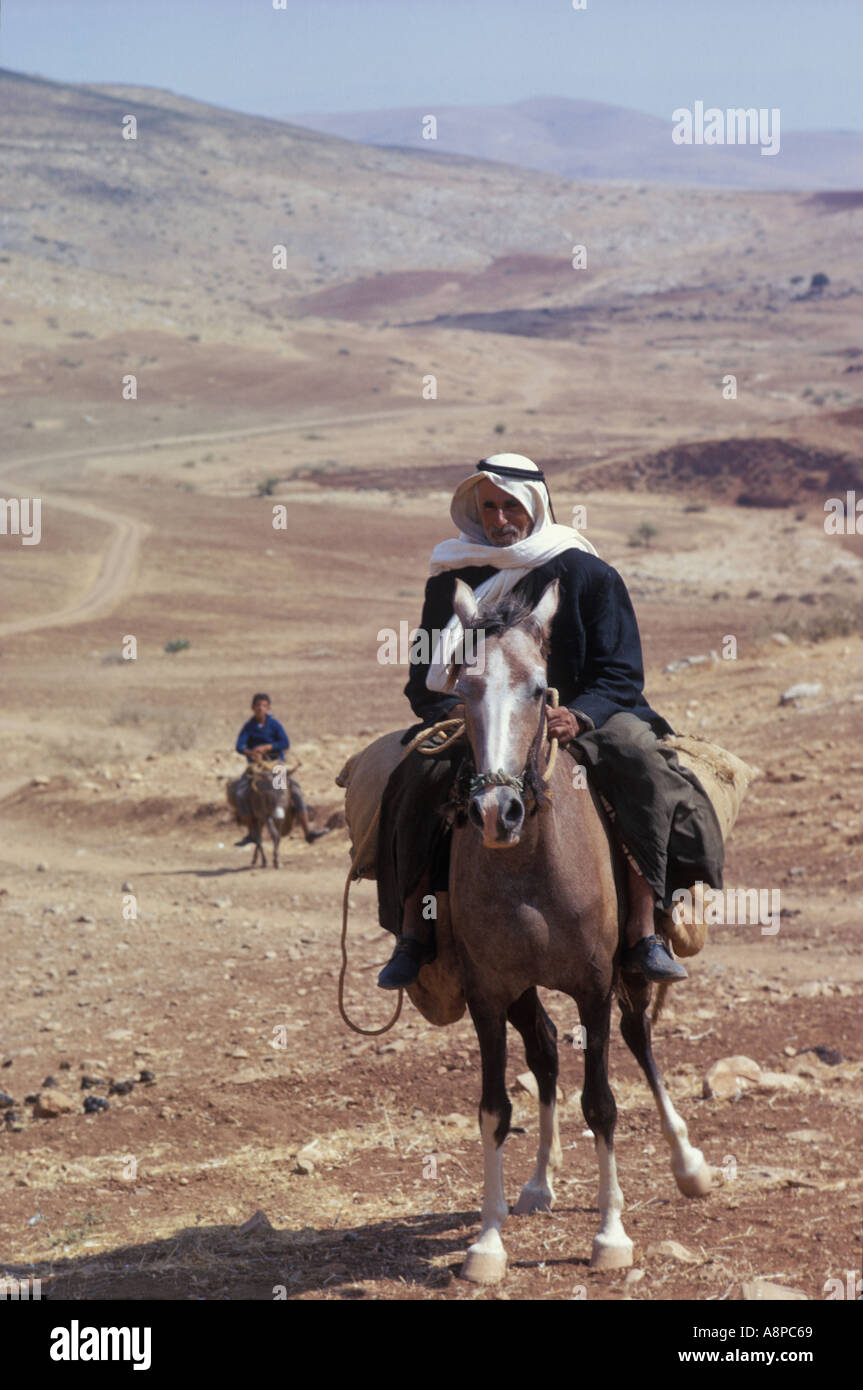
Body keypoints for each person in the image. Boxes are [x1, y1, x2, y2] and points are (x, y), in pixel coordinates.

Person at [375, 454, 724, 989]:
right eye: (487, 507)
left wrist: (580, 715)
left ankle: (642, 928)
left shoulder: (588, 573)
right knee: (414, 778)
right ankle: (414, 932)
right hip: (487, 717)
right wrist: (457, 712)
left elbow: (622, 671)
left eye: (510, 504)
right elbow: (424, 677)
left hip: (585, 715)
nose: (498, 518)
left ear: (534, 505)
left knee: (641, 763)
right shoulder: (451, 578)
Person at [233, 693, 329, 845]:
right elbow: (239, 746)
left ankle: (307, 831)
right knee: (240, 793)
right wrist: (250, 752)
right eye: (258, 705)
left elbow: (285, 743)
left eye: (264, 705)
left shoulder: (274, 725)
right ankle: (252, 833)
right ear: (252, 708)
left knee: (295, 791)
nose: (260, 708)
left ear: (268, 708)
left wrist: (268, 747)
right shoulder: (248, 727)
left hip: (275, 765)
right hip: (256, 767)